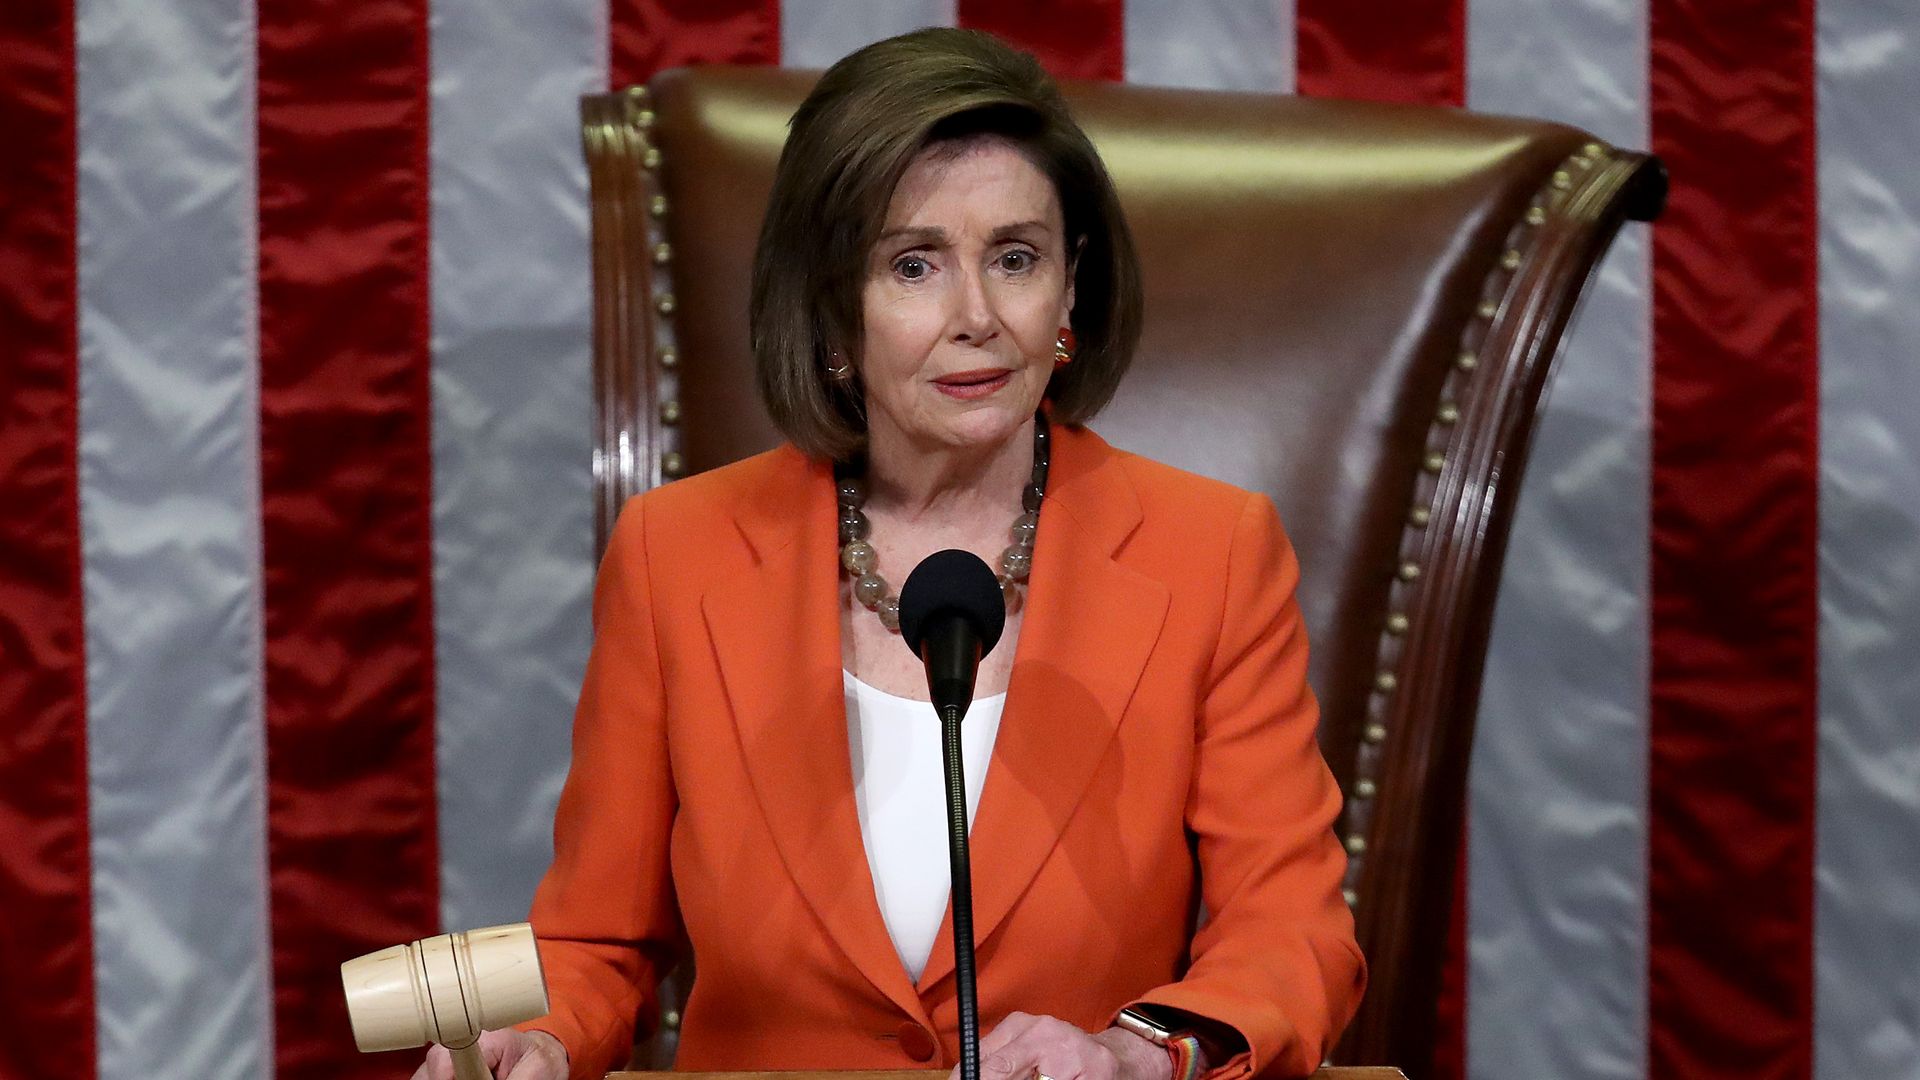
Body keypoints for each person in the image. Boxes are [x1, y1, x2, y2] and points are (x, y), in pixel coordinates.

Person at [413, 26, 1363, 1080]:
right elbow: (597, 941)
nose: (977, 317)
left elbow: (1293, 933)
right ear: (830, 308)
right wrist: (537, 1039)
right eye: (915, 265)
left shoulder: (1210, 554)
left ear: (1069, 290)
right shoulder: (675, 556)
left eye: (1016, 259)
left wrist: (1132, 1055)